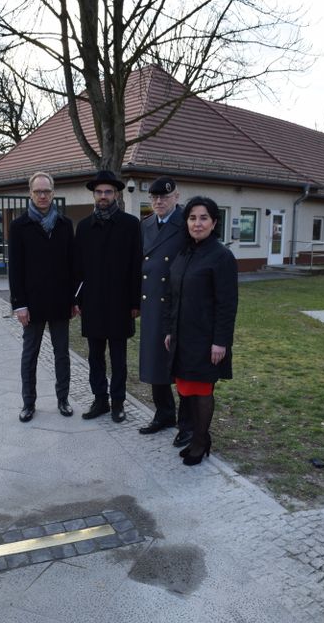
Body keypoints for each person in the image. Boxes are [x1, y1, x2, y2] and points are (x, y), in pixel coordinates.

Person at [164, 196, 238, 466]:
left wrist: (221, 342)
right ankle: (198, 436)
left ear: (214, 222)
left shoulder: (221, 256)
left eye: (203, 217)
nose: (197, 223)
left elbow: (227, 305)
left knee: (202, 390)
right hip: (182, 336)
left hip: (206, 339)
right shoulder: (185, 252)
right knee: (186, 388)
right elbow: (174, 296)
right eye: (192, 218)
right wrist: (171, 331)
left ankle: (200, 441)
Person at [74, 170, 142, 423]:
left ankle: (118, 403)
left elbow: (136, 266)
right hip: (92, 302)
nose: (103, 196)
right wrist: (77, 299)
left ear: (116, 194)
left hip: (120, 303)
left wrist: (135, 302)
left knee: (118, 358)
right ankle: (100, 400)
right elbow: (77, 268)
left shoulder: (130, 225)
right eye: (99, 192)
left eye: (108, 192)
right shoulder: (83, 227)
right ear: (94, 194)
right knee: (94, 356)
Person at [8, 170, 75, 423]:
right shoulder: (19, 226)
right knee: (30, 355)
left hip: (60, 302)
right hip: (32, 304)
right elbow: (15, 268)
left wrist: (73, 300)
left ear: (53, 192)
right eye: (38, 191)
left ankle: (63, 400)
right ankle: (28, 403)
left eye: (47, 191)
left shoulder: (65, 225)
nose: (43, 195)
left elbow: (72, 265)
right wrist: (19, 305)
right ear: (30, 193)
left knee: (62, 355)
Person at [138, 176, 193, 447]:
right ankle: (164, 413)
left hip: (177, 304)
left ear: (176, 197)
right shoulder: (145, 224)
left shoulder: (186, 224)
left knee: (181, 366)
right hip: (151, 303)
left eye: (165, 197)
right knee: (154, 361)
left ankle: (187, 424)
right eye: (154, 197)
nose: (159, 201)